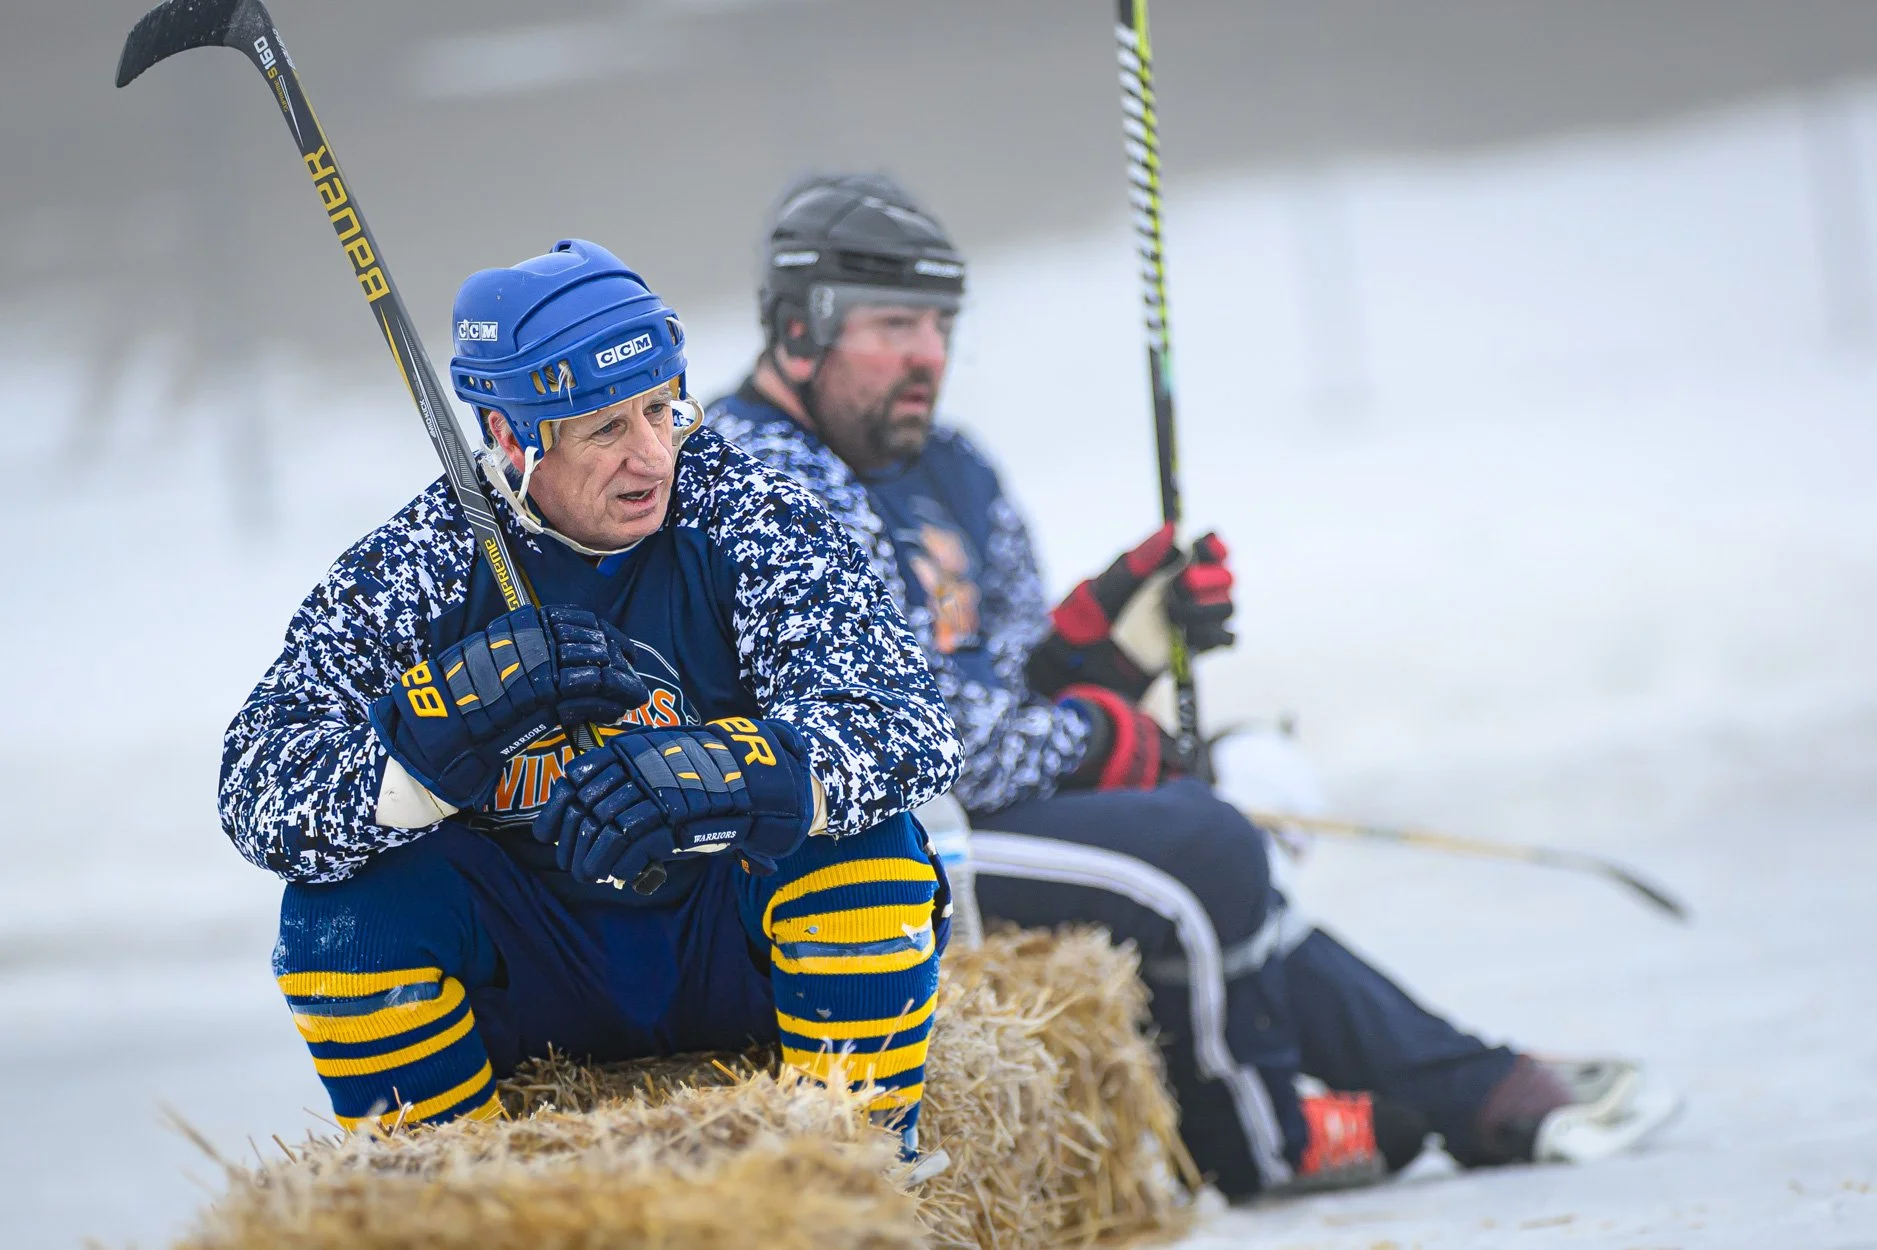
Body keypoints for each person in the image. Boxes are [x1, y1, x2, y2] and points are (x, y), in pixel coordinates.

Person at [709, 174, 1675, 1197]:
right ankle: (1260, 1137)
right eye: (894, 324)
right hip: (878, 838)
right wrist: (1094, 736)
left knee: (1219, 800)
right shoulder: (770, 474)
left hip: (984, 790)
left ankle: (1464, 1084)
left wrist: (1115, 634)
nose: (928, 357)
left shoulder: (949, 462)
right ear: (801, 329)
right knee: (1200, 843)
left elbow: (1019, 672)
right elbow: (918, 732)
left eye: (941, 324)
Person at [220, 238, 961, 1167]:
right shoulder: (418, 566)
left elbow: (907, 725)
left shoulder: (749, 515)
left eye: (662, 409)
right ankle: (444, 1204)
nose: (653, 456)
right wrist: (422, 744)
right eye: (606, 429)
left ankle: (857, 1179)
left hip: (724, 935)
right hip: (531, 968)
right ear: (506, 435)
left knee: (864, 846)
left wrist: (727, 771)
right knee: (339, 916)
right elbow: (256, 792)